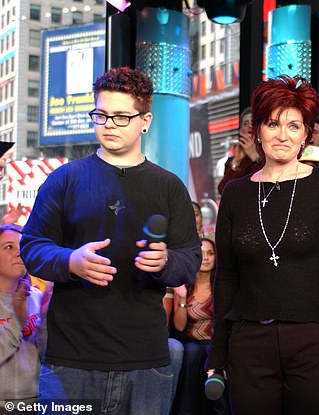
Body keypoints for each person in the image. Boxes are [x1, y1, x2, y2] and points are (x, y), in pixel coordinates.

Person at [19, 67, 201, 415]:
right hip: (70, 359)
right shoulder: (65, 180)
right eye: (101, 115)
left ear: (145, 120)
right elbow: (32, 246)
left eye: (120, 116)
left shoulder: (169, 187)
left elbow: (190, 259)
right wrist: (70, 261)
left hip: (146, 358)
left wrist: (166, 262)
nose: (109, 124)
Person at [206, 75, 319, 415]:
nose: (282, 135)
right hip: (249, 343)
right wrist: (218, 354)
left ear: (306, 135)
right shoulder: (236, 194)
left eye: (293, 126)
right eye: (273, 124)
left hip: (315, 342)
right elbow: (225, 278)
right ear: (258, 131)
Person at [172, 237, 229, 415]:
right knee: (193, 351)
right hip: (193, 344)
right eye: (201, 254)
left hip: (217, 344)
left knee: (211, 354)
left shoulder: (221, 286)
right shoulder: (185, 286)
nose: (205, 258)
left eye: (210, 254)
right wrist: (181, 298)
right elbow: (180, 327)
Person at [0, 224, 51, 406]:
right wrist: (18, 321)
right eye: (8, 247)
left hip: (38, 400)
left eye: (23, 247)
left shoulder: (35, 297)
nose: (19, 254)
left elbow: (45, 353)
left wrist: (47, 316)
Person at [217, 107, 263, 195]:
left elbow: (266, 187)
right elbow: (222, 190)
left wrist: (255, 158)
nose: (250, 126)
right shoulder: (232, 161)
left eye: (253, 123)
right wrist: (236, 161)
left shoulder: (269, 156)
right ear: (240, 131)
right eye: (245, 123)